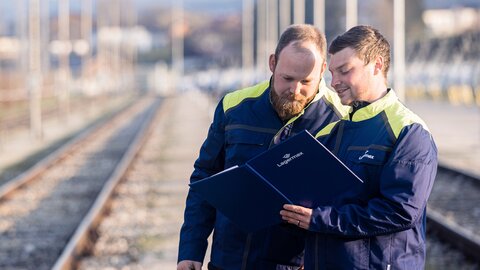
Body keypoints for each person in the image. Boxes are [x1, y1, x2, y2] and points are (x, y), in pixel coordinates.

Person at [178, 24, 348, 270]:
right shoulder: (234, 107)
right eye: (287, 78)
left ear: (323, 70)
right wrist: (190, 250)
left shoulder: (341, 121)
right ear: (272, 63)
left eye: (306, 81)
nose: (295, 90)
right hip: (229, 260)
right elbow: (204, 178)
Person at [280, 25, 438, 270]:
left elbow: (400, 210)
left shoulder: (408, 131)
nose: (335, 82)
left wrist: (320, 220)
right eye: (332, 73)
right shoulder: (332, 131)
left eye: (344, 71)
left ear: (376, 65)